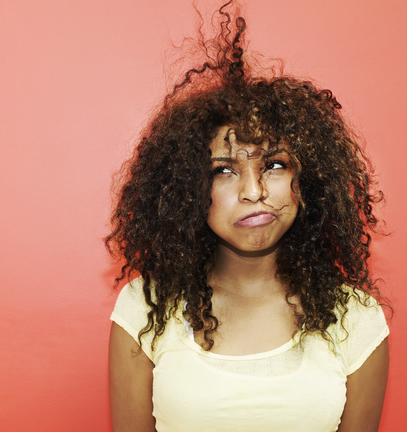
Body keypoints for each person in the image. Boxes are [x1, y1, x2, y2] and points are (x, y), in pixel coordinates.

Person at [106, 3, 390, 431]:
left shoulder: (356, 318)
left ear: (307, 179)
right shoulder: (146, 308)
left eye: (274, 165)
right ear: (187, 190)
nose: (254, 191)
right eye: (224, 171)